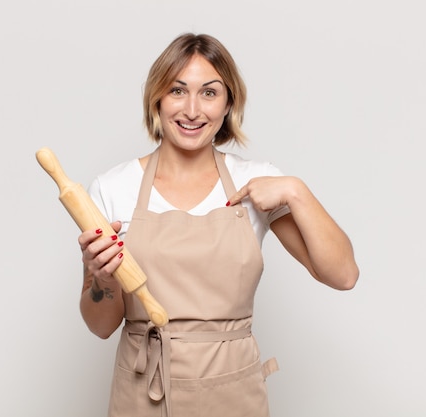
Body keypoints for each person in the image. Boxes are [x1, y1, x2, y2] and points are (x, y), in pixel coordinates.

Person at [77, 33, 359, 417]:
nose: (192, 110)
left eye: (209, 93)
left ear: (229, 103)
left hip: (233, 392)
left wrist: (297, 191)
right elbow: (100, 326)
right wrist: (103, 280)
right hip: (143, 393)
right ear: (156, 100)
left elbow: (342, 275)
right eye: (178, 91)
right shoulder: (112, 189)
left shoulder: (257, 182)